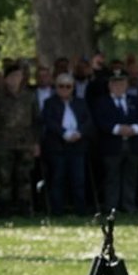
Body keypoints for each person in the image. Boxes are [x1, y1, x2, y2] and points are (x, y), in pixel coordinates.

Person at [40, 74, 93, 216]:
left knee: (79, 180)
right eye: (61, 86)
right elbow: (49, 121)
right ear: (56, 87)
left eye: (68, 86)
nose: (64, 89)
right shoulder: (49, 103)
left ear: (73, 88)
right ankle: (57, 211)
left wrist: (79, 133)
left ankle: (80, 211)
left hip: (78, 145)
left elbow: (88, 121)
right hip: (57, 147)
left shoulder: (81, 102)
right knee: (58, 179)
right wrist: (64, 133)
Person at [0, 64, 39, 216]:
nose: (15, 80)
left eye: (18, 76)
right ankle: (5, 207)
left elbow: (36, 120)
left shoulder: (29, 96)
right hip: (4, 143)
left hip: (25, 143)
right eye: (12, 76)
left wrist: (36, 142)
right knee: (5, 177)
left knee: (23, 177)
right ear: (6, 79)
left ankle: (24, 207)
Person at [97, 69, 138, 215]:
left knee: (131, 176)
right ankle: (112, 207)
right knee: (112, 177)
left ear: (126, 85)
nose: (118, 86)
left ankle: (129, 206)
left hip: (132, 143)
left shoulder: (135, 100)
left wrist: (135, 128)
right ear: (110, 85)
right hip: (112, 144)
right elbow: (99, 120)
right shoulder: (102, 101)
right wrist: (117, 128)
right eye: (115, 83)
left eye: (122, 83)